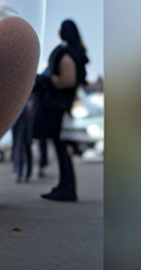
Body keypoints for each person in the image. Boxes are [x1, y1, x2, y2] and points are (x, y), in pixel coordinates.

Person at [33, 19, 88, 201]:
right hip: (65, 106)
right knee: (63, 148)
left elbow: (67, 80)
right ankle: (65, 185)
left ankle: (68, 188)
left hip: (58, 107)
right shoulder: (77, 52)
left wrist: (46, 81)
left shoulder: (66, 53)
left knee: (62, 148)